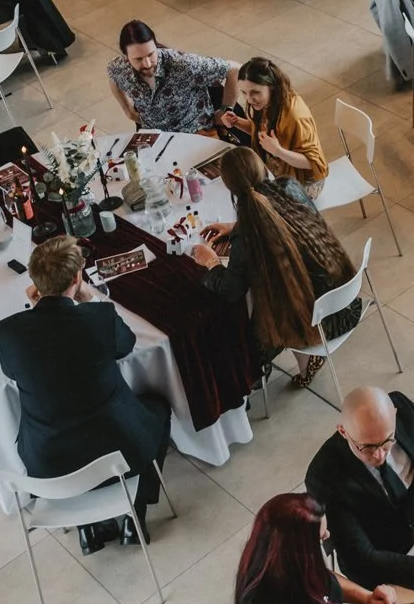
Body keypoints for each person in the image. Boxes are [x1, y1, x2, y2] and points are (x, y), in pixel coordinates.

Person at [0, 235, 171, 553]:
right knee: (158, 407)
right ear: (77, 278)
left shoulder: (8, 332)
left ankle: (88, 529)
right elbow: (127, 345)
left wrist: (39, 310)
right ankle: (136, 514)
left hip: (49, 464)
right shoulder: (97, 318)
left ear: (34, 281)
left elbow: (11, 372)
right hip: (119, 454)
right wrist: (91, 297)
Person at [191, 146, 361, 378]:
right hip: (345, 298)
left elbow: (231, 290)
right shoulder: (289, 185)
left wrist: (211, 262)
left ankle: (259, 375)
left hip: (320, 323)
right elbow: (284, 221)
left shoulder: (247, 235)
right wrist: (235, 226)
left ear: (231, 189)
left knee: (237, 346)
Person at [304, 387, 414, 596]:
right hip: (385, 561)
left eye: (387, 441)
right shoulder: (323, 475)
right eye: (368, 447)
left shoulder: (405, 411)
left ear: (396, 415)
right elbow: (362, 557)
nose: (380, 455)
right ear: (343, 431)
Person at [234, 493, 401, 604]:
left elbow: (323, 578)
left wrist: (367, 597)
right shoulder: (263, 599)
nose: (327, 535)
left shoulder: (274, 558)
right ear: (299, 553)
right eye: (320, 537)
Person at [217, 59, 330, 204]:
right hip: (281, 165)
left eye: (255, 92)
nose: (249, 99)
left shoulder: (296, 116)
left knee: (257, 203)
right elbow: (261, 131)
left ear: (272, 87)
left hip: (305, 181)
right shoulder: (269, 102)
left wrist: (277, 151)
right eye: (244, 93)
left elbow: (317, 164)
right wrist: (236, 122)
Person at [107, 20, 236, 133]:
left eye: (151, 54)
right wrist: (127, 110)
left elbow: (234, 69)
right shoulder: (119, 68)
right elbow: (113, 76)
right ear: (126, 56)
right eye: (138, 59)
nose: (147, 63)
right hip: (155, 138)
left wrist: (225, 109)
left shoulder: (183, 64)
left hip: (196, 133)